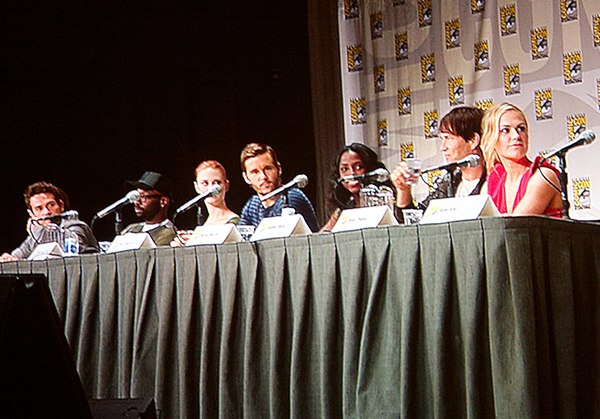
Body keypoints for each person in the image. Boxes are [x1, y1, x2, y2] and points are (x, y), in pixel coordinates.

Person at [391, 106, 487, 212]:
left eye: (448, 138)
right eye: (442, 139)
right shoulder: (450, 181)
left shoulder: (495, 181)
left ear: (473, 140)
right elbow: (420, 221)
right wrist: (403, 190)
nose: (443, 147)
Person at [480, 102, 562, 216]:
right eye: (505, 130)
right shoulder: (491, 183)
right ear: (491, 138)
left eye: (521, 128)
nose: (516, 136)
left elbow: (516, 226)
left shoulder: (543, 176)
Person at [0, 181, 100, 261]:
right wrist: (9, 258)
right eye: (39, 208)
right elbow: (18, 255)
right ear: (32, 214)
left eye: (51, 205)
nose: (47, 212)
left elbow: (71, 253)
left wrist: (46, 228)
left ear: (61, 205)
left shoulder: (76, 226)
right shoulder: (38, 232)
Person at [239, 143, 319, 231]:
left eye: (268, 169)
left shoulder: (291, 197)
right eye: (255, 172)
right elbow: (242, 238)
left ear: (279, 169)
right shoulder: (252, 205)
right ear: (246, 178)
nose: (263, 177)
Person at [320, 142, 396, 232]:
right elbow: (322, 236)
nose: (352, 173)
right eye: (344, 169)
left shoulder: (385, 197)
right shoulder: (342, 209)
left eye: (358, 167)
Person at [172, 160, 240, 246]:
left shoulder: (234, 222)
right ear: (197, 187)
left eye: (217, 183)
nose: (211, 188)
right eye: (205, 183)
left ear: (226, 185)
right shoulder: (205, 224)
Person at [119, 171, 178, 245]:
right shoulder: (131, 229)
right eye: (136, 196)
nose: (137, 202)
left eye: (143, 197)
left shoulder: (170, 233)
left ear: (163, 201)